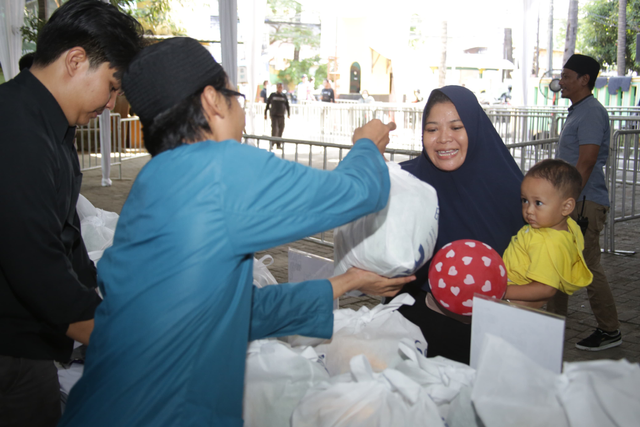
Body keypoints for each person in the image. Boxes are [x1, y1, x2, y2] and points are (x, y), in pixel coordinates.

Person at [58, 37, 411, 427]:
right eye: (236, 95)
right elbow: (359, 192)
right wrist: (366, 145)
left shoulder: (154, 182)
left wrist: (345, 283)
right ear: (212, 100)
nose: (242, 108)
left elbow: (235, 311)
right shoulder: (217, 169)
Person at [0, 1, 144, 426]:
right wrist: (117, 336)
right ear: (76, 60)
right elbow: (34, 262)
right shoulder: (14, 129)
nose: (113, 104)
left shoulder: (51, 128)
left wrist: (107, 298)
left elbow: (66, 237)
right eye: (113, 86)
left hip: (29, 345)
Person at [396, 86, 524, 364]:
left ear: (475, 129)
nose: (444, 139)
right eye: (432, 129)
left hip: (489, 337)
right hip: (413, 327)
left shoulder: (514, 192)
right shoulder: (404, 183)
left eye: (456, 127)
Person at [547, 53, 622, 351]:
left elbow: (587, 161)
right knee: (559, 262)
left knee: (588, 266)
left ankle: (610, 330)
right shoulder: (578, 110)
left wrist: (567, 200)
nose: (560, 82)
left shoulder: (590, 112)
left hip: (583, 203)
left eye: (566, 76)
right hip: (574, 201)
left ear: (584, 80)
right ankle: (552, 325)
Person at [503, 159, 592, 308]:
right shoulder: (564, 224)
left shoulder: (547, 242)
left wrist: (500, 292)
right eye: (525, 200)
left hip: (512, 306)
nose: (529, 210)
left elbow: (545, 289)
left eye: (538, 203)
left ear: (567, 207)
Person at [264, 82, 290, 149]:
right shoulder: (273, 95)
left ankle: (278, 144)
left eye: (281, 87)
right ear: (276, 88)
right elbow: (268, 104)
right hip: (274, 115)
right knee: (275, 129)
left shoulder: (284, 96)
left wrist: (289, 113)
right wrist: (265, 113)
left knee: (281, 129)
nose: (280, 88)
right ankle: (272, 144)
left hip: (281, 115)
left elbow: (287, 105)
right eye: (279, 87)